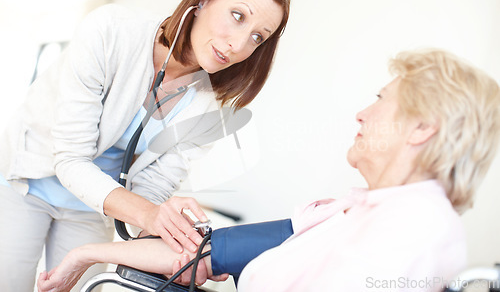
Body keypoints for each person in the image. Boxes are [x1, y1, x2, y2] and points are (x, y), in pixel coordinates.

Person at [36, 48, 500, 292]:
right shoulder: (347, 211)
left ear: (421, 127)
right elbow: (209, 251)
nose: (361, 114)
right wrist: (87, 254)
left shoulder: (415, 228)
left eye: (381, 99)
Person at [0, 0, 291, 291]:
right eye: (238, 15)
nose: (238, 44)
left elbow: (152, 187)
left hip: (95, 208)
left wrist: (171, 235)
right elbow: (70, 158)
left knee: (82, 286)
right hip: (27, 182)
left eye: (256, 37)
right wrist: (149, 214)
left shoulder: (211, 108)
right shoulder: (111, 30)